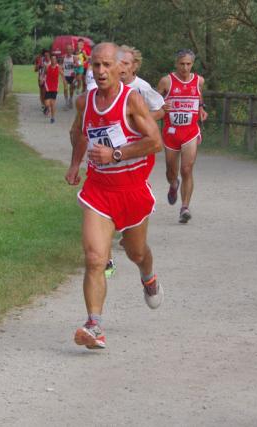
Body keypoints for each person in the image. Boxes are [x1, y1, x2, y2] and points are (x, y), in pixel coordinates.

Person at [65, 43, 163, 350]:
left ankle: (148, 276)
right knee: (95, 259)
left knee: (135, 253)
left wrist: (116, 153)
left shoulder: (131, 100)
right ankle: (94, 325)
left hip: (131, 190)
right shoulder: (86, 101)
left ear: (121, 68)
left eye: (107, 65)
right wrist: (74, 164)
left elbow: (155, 142)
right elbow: (81, 133)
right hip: (99, 190)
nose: (101, 71)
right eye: (96, 65)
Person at [104, 45, 166, 278]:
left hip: (137, 153)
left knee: (127, 195)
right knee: (103, 198)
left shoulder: (140, 88)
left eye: (126, 64)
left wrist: (136, 121)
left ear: (134, 66)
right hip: (108, 154)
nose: (120, 68)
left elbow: (161, 108)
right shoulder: (103, 86)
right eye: (117, 62)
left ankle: (130, 232)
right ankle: (105, 256)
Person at [157, 48, 208, 223]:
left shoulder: (199, 80)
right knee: (171, 171)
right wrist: (162, 107)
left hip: (190, 132)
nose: (185, 68)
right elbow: (154, 105)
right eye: (182, 64)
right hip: (171, 133)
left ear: (192, 64)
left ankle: (184, 208)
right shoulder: (166, 81)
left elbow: (199, 97)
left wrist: (202, 108)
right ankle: (173, 184)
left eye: (188, 64)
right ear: (176, 64)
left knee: (186, 169)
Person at [44, 55, 60, 123]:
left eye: (54, 59)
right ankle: (47, 108)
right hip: (48, 86)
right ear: (51, 60)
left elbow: (62, 75)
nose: (53, 60)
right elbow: (44, 74)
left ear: (56, 60)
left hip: (54, 88)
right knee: (47, 103)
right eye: (52, 59)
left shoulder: (58, 67)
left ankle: (52, 117)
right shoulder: (48, 67)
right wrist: (42, 78)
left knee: (53, 104)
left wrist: (65, 83)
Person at [35, 49, 51, 115]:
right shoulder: (41, 61)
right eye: (45, 55)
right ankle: (43, 105)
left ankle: (46, 106)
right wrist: (39, 66)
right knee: (42, 92)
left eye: (47, 55)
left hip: (49, 79)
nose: (46, 56)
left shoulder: (52, 61)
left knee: (47, 92)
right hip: (41, 78)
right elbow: (35, 69)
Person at [61, 44, 77, 109]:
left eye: (70, 49)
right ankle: (66, 102)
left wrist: (76, 64)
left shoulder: (74, 57)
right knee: (65, 88)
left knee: (71, 89)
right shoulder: (63, 57)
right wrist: (62, 73)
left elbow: (79, 65)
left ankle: (70, 99)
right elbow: (60, 66)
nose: (68, 51)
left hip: (72, 75)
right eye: (67, 49)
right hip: (65, 75)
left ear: (72, 50)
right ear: (66, 50)